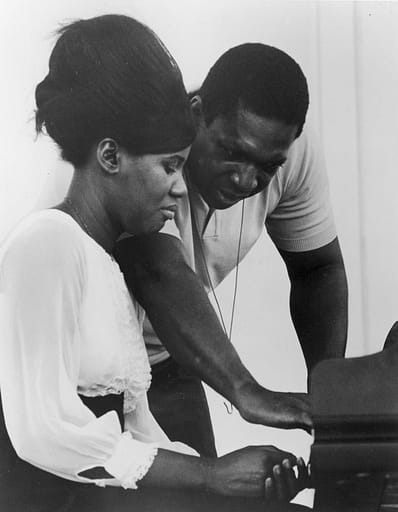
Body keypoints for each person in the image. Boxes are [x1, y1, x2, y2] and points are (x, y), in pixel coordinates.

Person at [0, 14, 309, 512]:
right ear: (109, 156)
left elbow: (139, 430)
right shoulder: (45, 244)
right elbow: (42, 432)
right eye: (170, 166)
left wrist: (240, 475)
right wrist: (210, 476)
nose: (182, 187)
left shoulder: (108, 265)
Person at [114, 43, 348, 457]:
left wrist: (329, 398)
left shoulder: (290, 150)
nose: (245, 180)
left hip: (167, 360)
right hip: (82, 364)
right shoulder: (151, 142)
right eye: (231, 151)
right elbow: (158, 272)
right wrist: (247, 391)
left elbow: (317, 271)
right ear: (196, 112)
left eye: (267, 166)